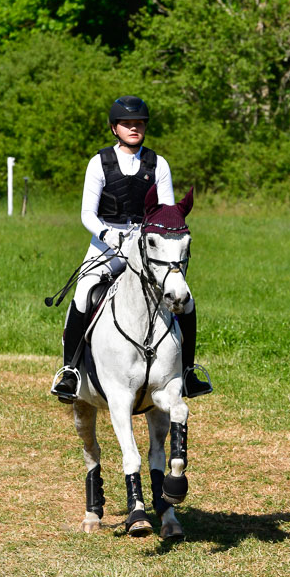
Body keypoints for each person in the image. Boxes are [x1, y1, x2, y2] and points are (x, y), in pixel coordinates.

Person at [52, 95, 213, 403]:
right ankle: (70, 371)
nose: (134, 128)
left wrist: (150, 238)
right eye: (127, 124)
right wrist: (107, 234)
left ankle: (188, 371)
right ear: (114, 128)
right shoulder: (99, 163)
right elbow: (87, 212)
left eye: (139, 123)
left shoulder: (158, 164)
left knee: (186, 300)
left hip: (147, 248)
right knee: (84, 291)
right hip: (106, 246)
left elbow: (166, 212)